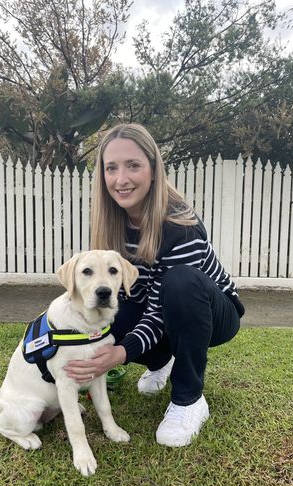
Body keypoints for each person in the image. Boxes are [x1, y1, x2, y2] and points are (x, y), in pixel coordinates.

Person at [63, 123, 245, 447]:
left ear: (152, 169)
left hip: (211, 313)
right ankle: (161, 359)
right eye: (111, 168)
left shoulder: (180, 224)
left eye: (133, 165)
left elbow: (164, 306)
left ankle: (190, 398)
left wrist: (121, 353)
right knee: (109, 319)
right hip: (157, 304)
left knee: (180, 283)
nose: (122, 179)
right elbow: (115, 299)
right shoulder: (112, 223)